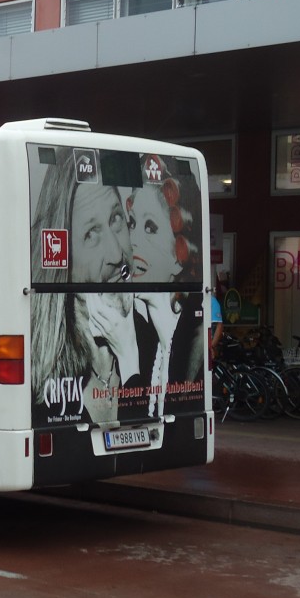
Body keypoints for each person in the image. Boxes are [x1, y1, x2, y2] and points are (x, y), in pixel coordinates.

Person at [30, 147, 156, 425]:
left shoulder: (156, 347)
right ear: (64, 260)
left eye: (115, 219)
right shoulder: (37, 373)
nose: (116, 254)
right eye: (91, 234)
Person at [125, 160, 206, 414]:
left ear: (179, 252)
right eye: (131, 225)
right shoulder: (142, 334)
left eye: (150, 227)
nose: (132, 241)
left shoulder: (197, 336)